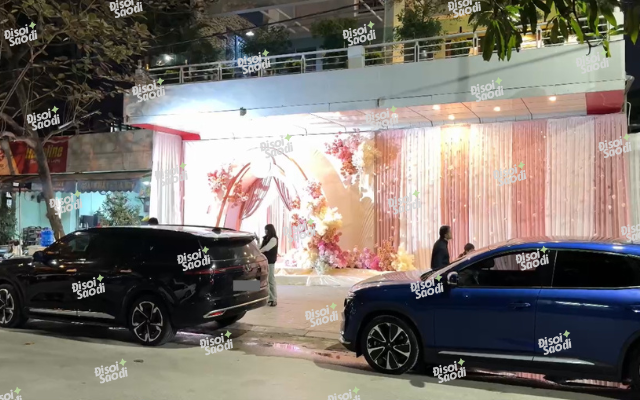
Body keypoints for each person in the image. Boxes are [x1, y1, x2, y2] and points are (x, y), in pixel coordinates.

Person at [260, 224, 278, 306]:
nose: (265, 231)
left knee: (270, 280)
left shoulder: (273, 239)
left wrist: (259, 251)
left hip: (270, 262)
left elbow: (266, 248)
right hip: (264, 261)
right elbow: (261, 247)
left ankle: (273, 299)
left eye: (266, 230)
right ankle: (269, 298)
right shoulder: (265, 238)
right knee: (265, 280)